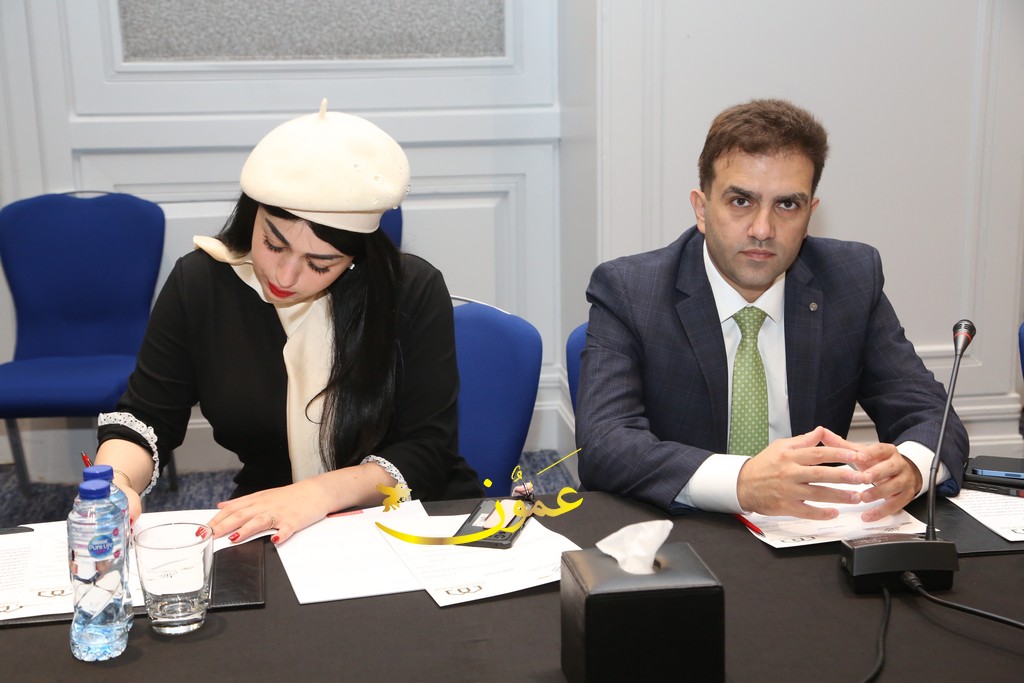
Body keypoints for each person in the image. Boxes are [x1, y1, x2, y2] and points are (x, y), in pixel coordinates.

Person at [95, 100, 481, 544]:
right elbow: (146, 416)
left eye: (320, 264)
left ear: (356, 258)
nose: (284, 277)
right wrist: (118, 478)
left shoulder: (409, 291)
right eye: (273, 244)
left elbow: (428, 450)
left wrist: (317, 494)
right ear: (252, 217)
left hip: (409, 515)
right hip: (272, 517)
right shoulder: (201, 284)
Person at [576, 98, 968, 522]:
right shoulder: (630, 290)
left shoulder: (851, 280)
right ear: (702, 209)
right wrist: (742, 482)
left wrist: (911, 466)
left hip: (810, 530)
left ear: (810, 214)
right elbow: (605, 443)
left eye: (787, 205)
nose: (763, 229)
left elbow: (930, 413)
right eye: (741, 201)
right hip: (680, 526)